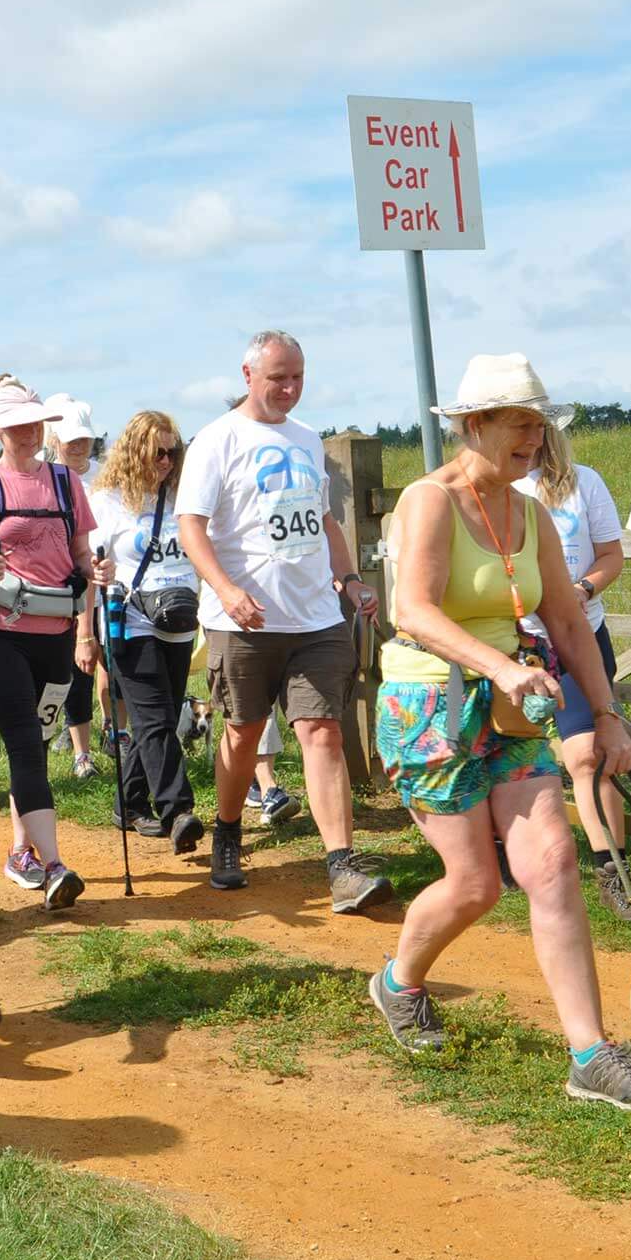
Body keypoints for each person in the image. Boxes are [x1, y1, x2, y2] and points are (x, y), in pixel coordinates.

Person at [370, 354, 631, 1110]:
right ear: (475, 426)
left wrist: (606, 714)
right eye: (521, 425)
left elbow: (566, 617)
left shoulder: (531, 511)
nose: (536, 439)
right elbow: (414, 611)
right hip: (431, 705)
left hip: (512, 706)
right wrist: (500, 669)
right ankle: (398, 982)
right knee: (472, 884)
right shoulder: (429, 501)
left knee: (553, 860)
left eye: (541, 425)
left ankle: (589, 1055)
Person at [176, 331, 388, 906]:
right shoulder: (216, 441)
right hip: (241, 620)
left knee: (322, 730)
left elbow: (325, 521)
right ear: (248, 375)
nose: (289, 388)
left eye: (297, 377)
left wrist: (347, 581)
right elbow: (191, 526)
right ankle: (227, 832)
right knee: (243, 733)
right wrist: (225, 588)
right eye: (278, 378)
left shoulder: (307, 439)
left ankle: (342, 864)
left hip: (315, 617)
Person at [0, 374, 103, 910]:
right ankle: (54, 864)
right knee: (26, 745)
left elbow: (81, 554)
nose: (28, 433)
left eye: (35, 423)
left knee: (32, 742)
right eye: (17, 426)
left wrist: (92, 571)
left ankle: (19, 853)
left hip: (55, 630)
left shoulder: (65, 482)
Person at [516, 419, 629, 906]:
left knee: (589, 753)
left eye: (538, 427)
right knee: (506, 750)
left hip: (580, 632)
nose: (531, 437)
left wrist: (581, 590)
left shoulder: (585, 482)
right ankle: (501, 852)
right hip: (512, 638)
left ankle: (613, 869)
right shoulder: (493, 490)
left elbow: (611, 555)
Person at [89, 412, 205, 851]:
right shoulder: (109, 502)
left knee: (155, 718)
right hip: (130, 623)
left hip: (178, 621)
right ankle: (178, 810)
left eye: (173, 451)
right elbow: (90, 568)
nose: (166, 460)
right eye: (157, 451)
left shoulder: (183, 497)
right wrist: (86, 633)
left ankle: (128, 800)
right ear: (135, 451)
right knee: (156, 720)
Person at [40, 395, 107, 776]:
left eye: (85, 438)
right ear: (54, 441)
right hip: (60, 589)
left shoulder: (105, 475)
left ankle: (106, 735)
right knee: (63, 670)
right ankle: (61, 740)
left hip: (103, 583)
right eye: (71, 439)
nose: (80, 446)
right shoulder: (46, 478)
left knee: (100, 665)